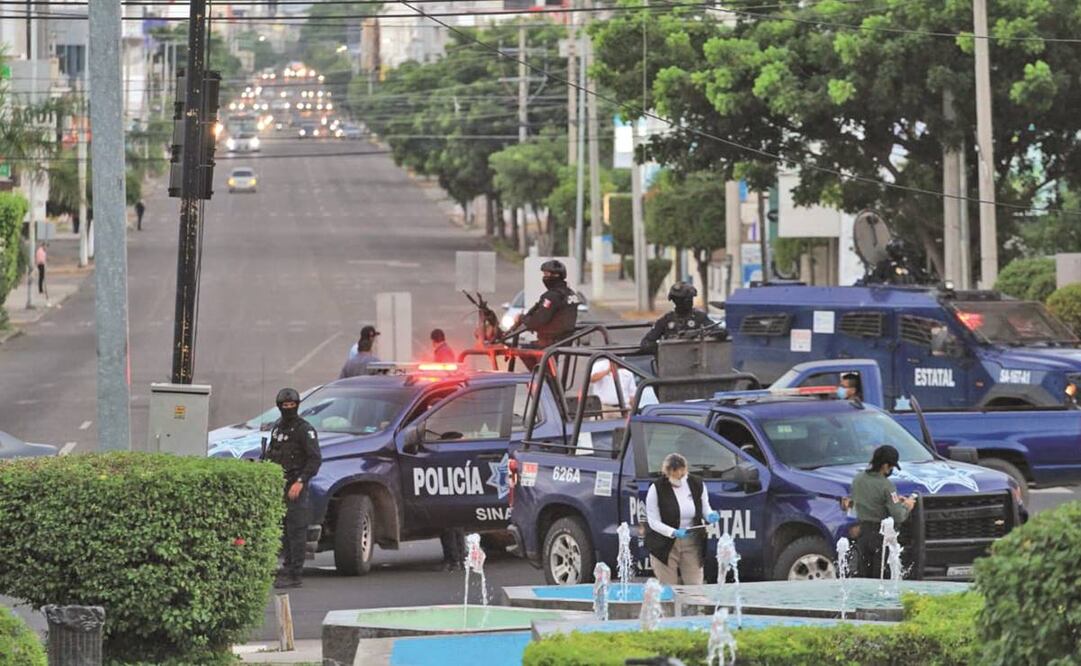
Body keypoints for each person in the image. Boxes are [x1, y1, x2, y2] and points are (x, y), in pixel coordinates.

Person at [261, 388, 322, 588]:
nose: (288, 408)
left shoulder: (305, 430)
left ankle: (295, 573)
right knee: (284, 530)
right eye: (285, 405)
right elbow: (271, 453)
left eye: (291, 405)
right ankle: (287, 568)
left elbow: (314, 459)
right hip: (279, 484)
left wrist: (300, 481)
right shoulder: (277, 428)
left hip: (296, 485)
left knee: (296, 530)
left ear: (297, 405)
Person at [644, 452, 721, 586]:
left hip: (691, 540)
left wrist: (710, 515)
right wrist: (672, 532)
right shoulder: (656, 488)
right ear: (667, 472)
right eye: (674, 475)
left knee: (694, 584)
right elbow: (653, 521)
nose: (679, 477)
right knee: (669, 586)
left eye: (681, 474)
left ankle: (693, 600)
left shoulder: (697, 484)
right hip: (664, 543)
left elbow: (705, 507)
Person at [850, 445, 916, 578]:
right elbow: (898, 515)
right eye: (891, 467)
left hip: (862, 534)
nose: (891, 470)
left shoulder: (858, 479)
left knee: (864, 575)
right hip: (880, 537)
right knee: (880, 577)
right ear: (885, 466)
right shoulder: (887, 486)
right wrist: (907, 506)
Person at [639, 282, 717, 355]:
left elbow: (716, 330)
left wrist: (716, 333)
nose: (683, 303)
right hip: (672, 361)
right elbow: (646, 342)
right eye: (678, 300)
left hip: (695, 359)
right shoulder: (667, 320)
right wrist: (663, 349)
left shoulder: (700, 317)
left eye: (688, 300)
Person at [515, 259, 579, 347]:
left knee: (520, 349)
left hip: (549, 343)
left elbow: (540, 319)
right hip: (565, 342)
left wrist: (523, 319)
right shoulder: (571, 294)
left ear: (556, 275)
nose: (544, 278)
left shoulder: (552, 296)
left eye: (546, 274)